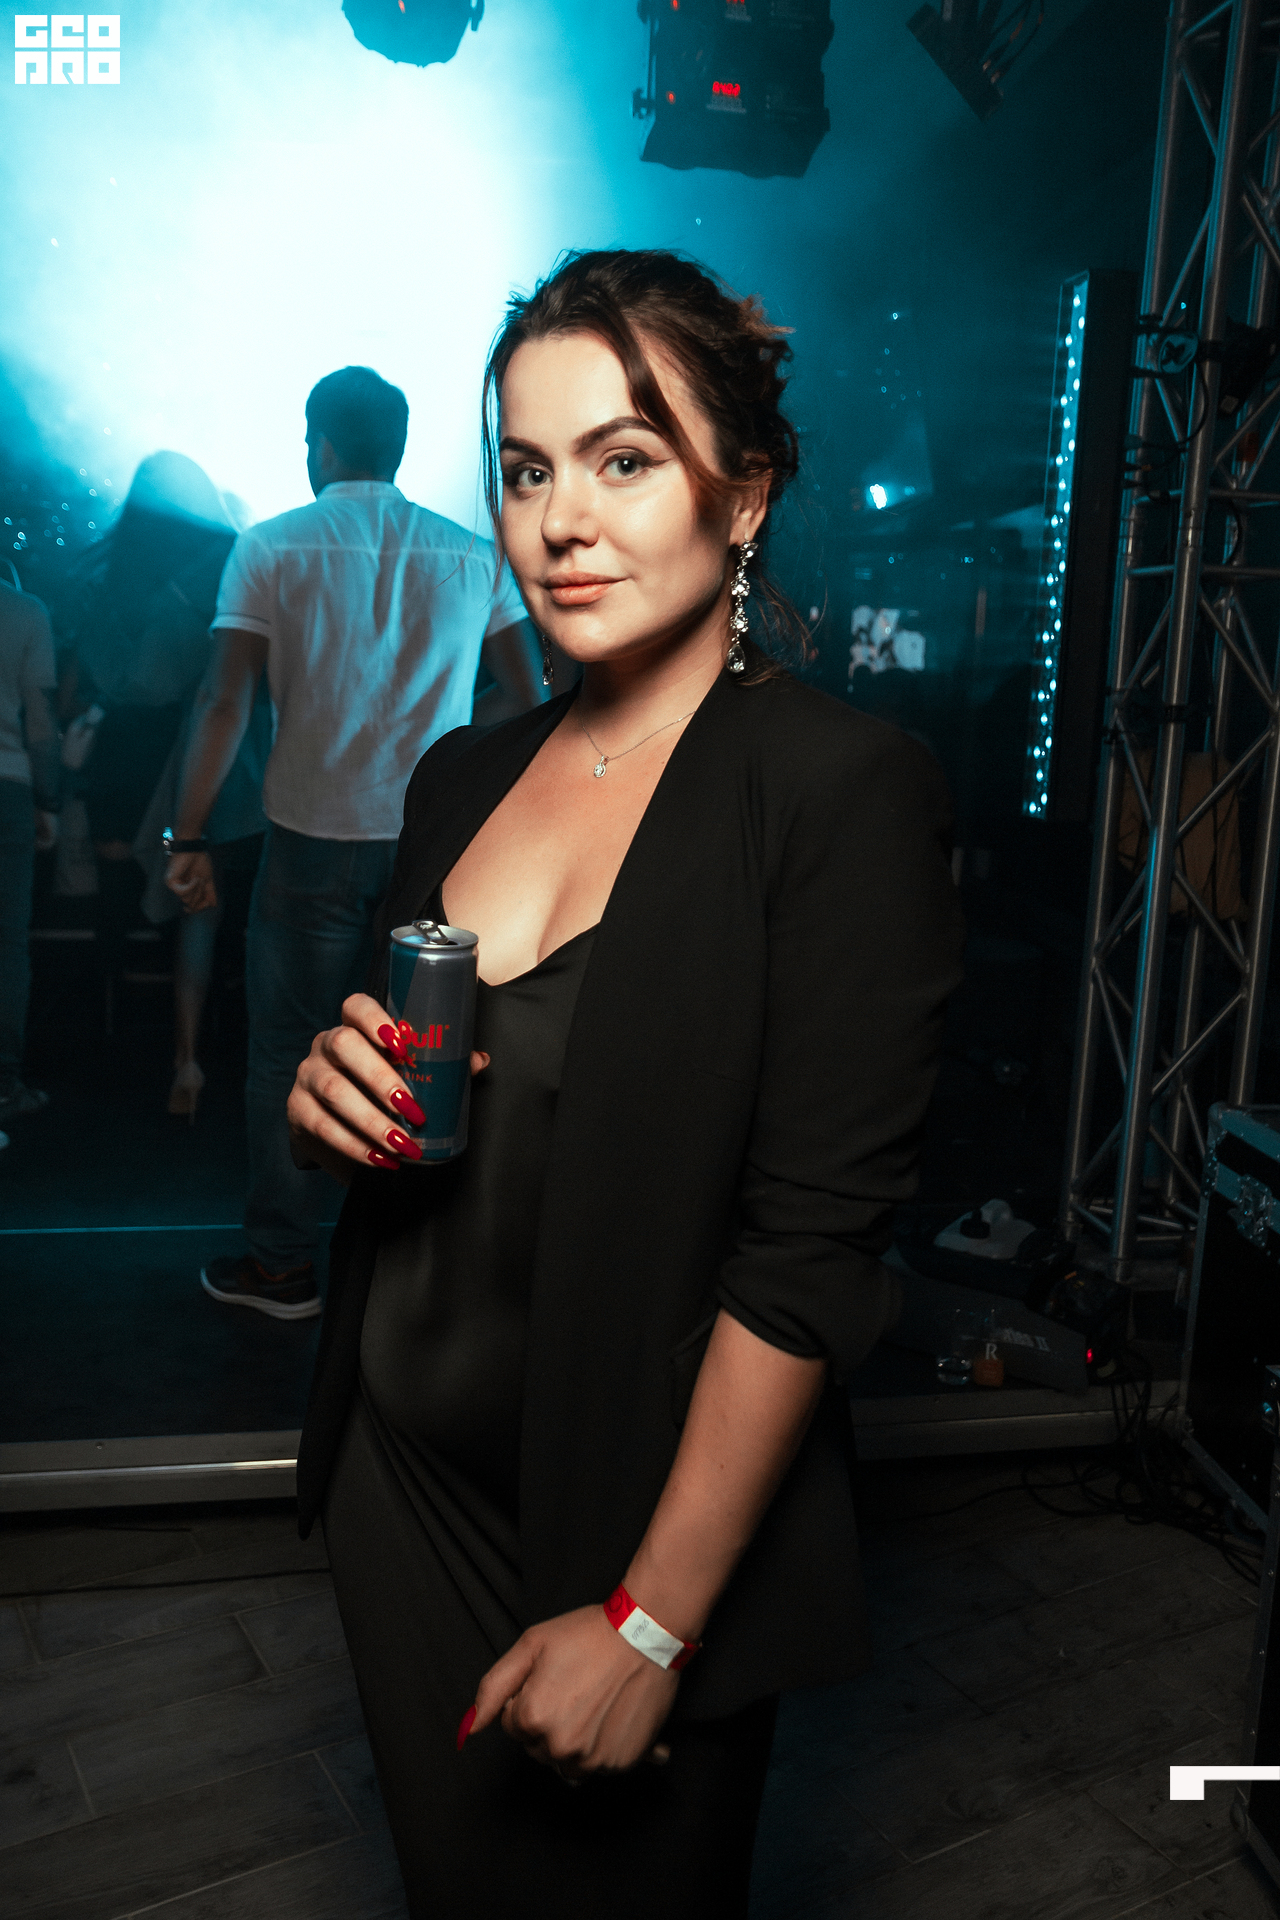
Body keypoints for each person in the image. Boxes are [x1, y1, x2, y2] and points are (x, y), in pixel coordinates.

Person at [284, 252, 965, 1916]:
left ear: (748, 495)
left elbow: (810, 1257)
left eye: (625, 459)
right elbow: (437, 1107)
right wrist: (331, 1101)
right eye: (526, 472)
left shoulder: (840, 790)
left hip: (635, 1521)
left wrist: (652, 1621)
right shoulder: (460, 775)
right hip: (399, 1480)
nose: (562, 523)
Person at [165, 365, 545, 1320]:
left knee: (285, 1052)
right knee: (424, 1054)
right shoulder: (472, 555)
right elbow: (527, 694)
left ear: (321, 443)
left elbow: (224, 700)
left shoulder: (269, 546)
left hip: (308, 840)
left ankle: (282, 1266)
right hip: (431, 845)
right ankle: (406, 1275)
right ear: (399, 448)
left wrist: (190, 833)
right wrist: (448, 742)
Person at [67, 453, 239, 992]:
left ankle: (105, 1012)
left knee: (116, 883)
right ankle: (185, 1024)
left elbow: (110, 669)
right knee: (191, 886)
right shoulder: (221, 567)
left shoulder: (117, 577)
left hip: (124, 744)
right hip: (191, 741)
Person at [0, 572, 60, 1131]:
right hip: (8, 787)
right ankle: (3, 1086)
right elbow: (40, 723)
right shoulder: (24, 610)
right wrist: (49, 800)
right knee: (6, 945)